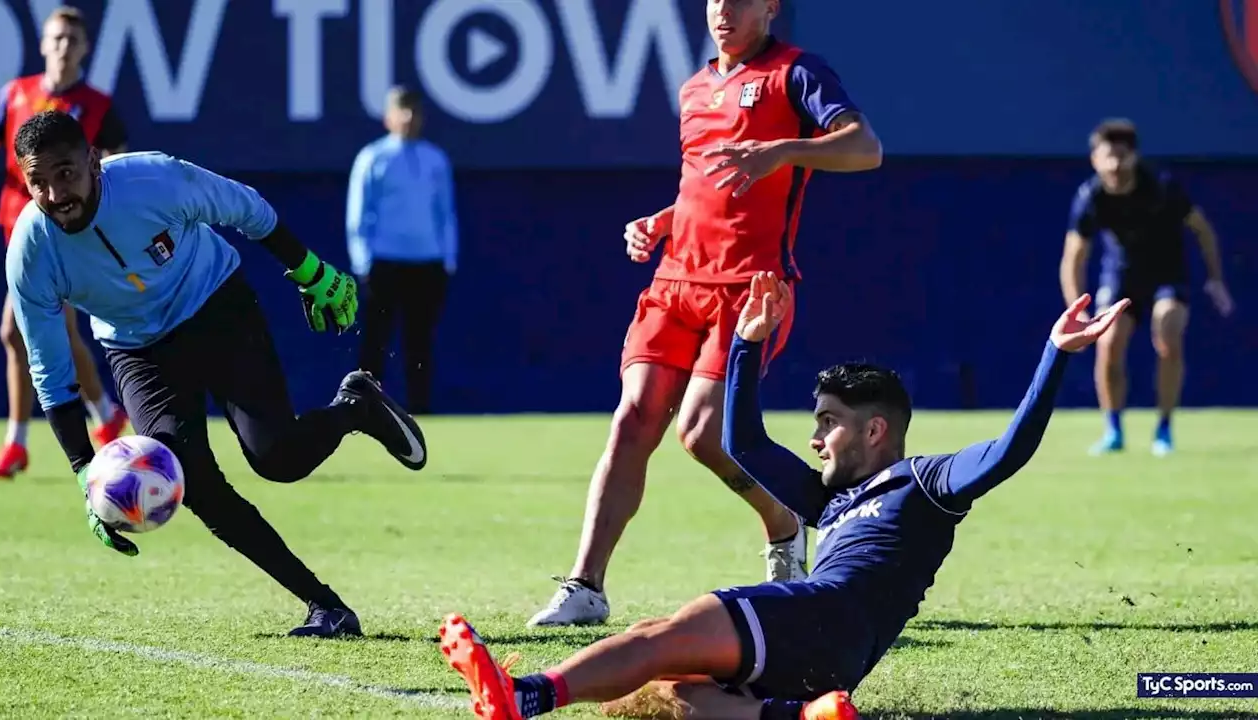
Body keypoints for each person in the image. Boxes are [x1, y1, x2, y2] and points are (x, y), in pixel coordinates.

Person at [440, 272, 1130, 720]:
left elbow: (1009, 451)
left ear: (876, 428)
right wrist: (745, 347)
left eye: (830, 421)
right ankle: (806, 718)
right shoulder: (828, 499)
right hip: (837, 659)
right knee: (676, 693)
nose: (819, 436)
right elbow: (743, 444)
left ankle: (528, 695)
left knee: (659, 637)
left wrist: (1055, 355)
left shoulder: (924, 482)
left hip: (824, 613)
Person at [528, 0, 883, 628]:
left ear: (770, 6)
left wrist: (783, 150)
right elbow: (702, 185)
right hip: (675, 282)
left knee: (701, 433)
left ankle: (785, 519)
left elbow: (864, 148)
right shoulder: (695, 85)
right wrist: (660, 223)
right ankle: (585, 586)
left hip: (749, 290)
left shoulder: (797, 72)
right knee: (633, 418)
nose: (723, 10)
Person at [7, 110, 428, 637]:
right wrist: (83, 472)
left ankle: (357, 406)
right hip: (138, 349)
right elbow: (50, 370)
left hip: (215, 306)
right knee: (192, 484)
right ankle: (326, 607)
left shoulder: (152, 180)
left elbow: (248, 209)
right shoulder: (30, 249)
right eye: (37, 182)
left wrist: (309, 270)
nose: (54, 194)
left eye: (64, 173)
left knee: (277, 458)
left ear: (94, 161)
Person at [0, 6, 130, 479]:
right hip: (17, 231)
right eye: (56, 38)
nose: (63, 47)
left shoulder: (97, 106)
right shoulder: (16, 95)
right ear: (43, 44)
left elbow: (117, 168)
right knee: (56, 331)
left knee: (14, 330)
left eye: (72, 40)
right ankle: (106, 417)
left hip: (66, 233)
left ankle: (18, 442)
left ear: (85, 49)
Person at [1061, 119, 1234, 457]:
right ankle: (1113, 430)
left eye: (1122, 156)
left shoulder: (1163, 187)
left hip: (1167, 275)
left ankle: (1164, 429)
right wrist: (1076, 311)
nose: (1114, 165)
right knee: (1108, 343)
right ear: (1094, 159)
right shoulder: (1090, 196)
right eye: (1107, 156)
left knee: (1168, 334)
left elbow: (1204, 231)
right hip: (1120, 278)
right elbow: (1073, 259)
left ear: (1135, 156)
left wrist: (1215, 279)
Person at [346, 86, 457, 415]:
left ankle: (419, 411)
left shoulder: (435, 159)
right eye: (401, 110)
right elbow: (358, 213)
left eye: (414, 111)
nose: (408, 118)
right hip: (384, 263)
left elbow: (445, 213)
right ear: (388, 117)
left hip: (427, 263)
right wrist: (363, 261)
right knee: (375, 342)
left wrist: (447, 259)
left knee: (419, 342)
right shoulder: (372, 157)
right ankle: (362, 409)